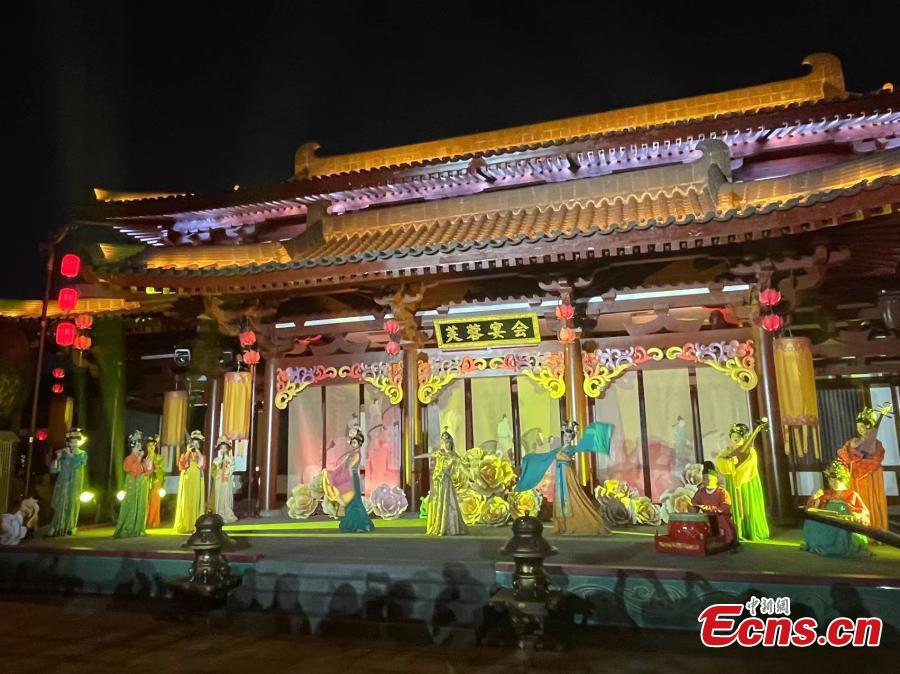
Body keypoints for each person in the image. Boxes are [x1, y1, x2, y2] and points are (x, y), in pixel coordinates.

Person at [515, 420, 612, 535]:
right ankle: (563, 525)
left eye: (569, 436)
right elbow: (545, 457)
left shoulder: (571, 448)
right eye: (565, 436)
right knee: (560, 498)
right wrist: (529, 458)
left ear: (572, 437)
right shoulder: (558, 449)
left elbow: (582, 447)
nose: (567, 438)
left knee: (571, 496)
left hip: (567, 474)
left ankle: (572, 524)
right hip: (559, 474)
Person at [837, 403, 892, 532]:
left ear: (869, 427)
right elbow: (843, 454)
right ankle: (858, 531)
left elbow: (872, 457)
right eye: (858, 427)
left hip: (870, 478)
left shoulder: (875, 444)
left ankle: (875, 530)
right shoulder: (853, 441)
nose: (860, 430)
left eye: (863, 427)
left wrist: (881, 416)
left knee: (871, 502)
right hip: (854, 478)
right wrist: (850, 461)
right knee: (856, 502)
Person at [715, 418, 770, 541]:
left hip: (746, 482)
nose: (735, 438)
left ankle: (751, 531)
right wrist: (730, 462)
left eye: (738, 436)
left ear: (744, 437)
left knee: (748, 506)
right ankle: (737, 531)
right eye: (733, 436)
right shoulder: (728, 450)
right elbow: (719, 461)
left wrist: (736, 467)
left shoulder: (751, 451)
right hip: (733, 481)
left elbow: (750, 466)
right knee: (734, 506)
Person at [802, 460, 871, 558]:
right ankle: (818, 544)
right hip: (827, 524)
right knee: (810, 520)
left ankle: (837, 546)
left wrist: (852, 515)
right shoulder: (826, 494)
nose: (832, 482)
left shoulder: (852, 494)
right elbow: (813, 509)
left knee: (841, 515)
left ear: (842, 479)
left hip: (842, 525)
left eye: (835, 479)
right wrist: (815, 500)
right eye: (830, 479)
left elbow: (863, 513)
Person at [415, 428, 467, 536]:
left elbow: (462, 466)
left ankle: (449, 526)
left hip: (446, 482)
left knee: (448, 503)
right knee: (437, 503)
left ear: (451, 442)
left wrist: (469, 473)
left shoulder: (454, 455)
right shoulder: (440, 453)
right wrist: (416, 457)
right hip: (437, 482)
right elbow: (429, 455)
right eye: (443, 442)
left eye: (447, 442)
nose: (446, 444)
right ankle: (438, 525)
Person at [46, 429, 88, 537]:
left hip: (75, 483)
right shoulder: (63, 454)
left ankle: (70, 527)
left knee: (72, 504)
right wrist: (57, 458)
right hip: (63, 482)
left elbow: (76, 465)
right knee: (61, 503)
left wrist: (70, 455)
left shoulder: (82, 454)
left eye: (75, 442)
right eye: (71, 442)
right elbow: (54, 470)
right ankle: (56, 526)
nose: (73, 444)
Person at [114, 431, 154, 538]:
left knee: (141, 506)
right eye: (137, 447)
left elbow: (147, 472)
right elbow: (134, 472)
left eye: (140, 447)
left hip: (141, 487)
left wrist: (148, 465)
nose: (139, 449)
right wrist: (139, 459)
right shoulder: (129, 459)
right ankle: (128, 527)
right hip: (133, 487)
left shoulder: (142, 460)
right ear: (132, 448)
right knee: (131, 505)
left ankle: (138, 528)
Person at [690, 461, 737, 547]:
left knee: (721, 519)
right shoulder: (700, 492)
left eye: (709, 479)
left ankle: (727, 540)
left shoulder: (722, 492)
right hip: (706, 518)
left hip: (719, 517)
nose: (706, 481)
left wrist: (707, 508)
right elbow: (695, 503)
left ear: (716, 479)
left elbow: (724, 508)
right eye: (704, 479)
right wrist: (693, 508)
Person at [337, 428, 374, 533]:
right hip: (351, 478)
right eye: (352, 442)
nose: (353, 444)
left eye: (355, 443)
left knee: (355, 501)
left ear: (359, 444)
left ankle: (360, 524)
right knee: (351, 501)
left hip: (352, 479)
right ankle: (353, 523)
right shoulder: (352, 453)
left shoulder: (357, 454)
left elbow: (350, 467)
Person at [173, 430, 206, 534]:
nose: (194, 446)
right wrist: (188, 451)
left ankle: (195, 523)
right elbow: (182, 466)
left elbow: (202, 465)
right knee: (186, 499)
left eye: (197, 444)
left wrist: (198, 452)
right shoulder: (184, 455)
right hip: (187, 478)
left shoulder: (201, 455)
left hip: (196, 478)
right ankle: (185, 523)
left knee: (195, 498)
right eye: (193, 443)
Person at [211, 436, 238, 524]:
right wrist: (218, 467)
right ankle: (219, 513)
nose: (223, 449)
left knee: (226, 495)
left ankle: (227, 513)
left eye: (225, 448)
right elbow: (213, 471)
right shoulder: (216, 460)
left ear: (227, 449)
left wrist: (227, 468)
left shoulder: (231, 459)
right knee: (219, 495)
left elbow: (232, 469)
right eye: (221, 448)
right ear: (219, 449)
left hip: (227, 479)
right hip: (219, 480)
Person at [145, 435, 165, 529]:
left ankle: (153, 521)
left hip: (156, 482)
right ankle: (145, 521)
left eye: (153, 445)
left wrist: (156, 468)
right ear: (146, 447)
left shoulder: (159, 457)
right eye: (149, 445)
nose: (151, 447)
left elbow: (162, 470)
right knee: (146, 502)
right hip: (146, 482)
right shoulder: (145, 458)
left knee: (155, 503)